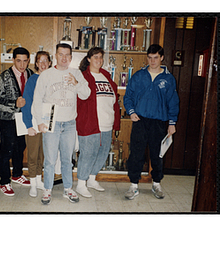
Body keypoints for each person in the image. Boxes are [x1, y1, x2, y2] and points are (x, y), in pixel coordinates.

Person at [32, 43, 91, 205]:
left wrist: (76, 83)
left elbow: (86, 94)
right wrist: (39, 122)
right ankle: (47, 189)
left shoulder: (76, 73)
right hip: (51, 122)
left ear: (71, 58)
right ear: (55, 56)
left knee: (67, 159)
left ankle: (67, 189)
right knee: (50, 160)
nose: (64, 58)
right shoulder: (46, 75)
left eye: (67, 55)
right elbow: (37, 100)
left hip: (70, 123)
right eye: (61, 54)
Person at [123, 44, 179, 200]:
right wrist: (131, 112)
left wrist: (172, 123)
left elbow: (173, 102)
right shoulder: (139, 75)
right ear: (147, 58)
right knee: (136, 154)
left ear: (162, 57)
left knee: (157, 155)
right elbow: (128, 96)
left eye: (156, 57)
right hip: (140, 120)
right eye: (150, 57)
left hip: (159, 122)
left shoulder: (168, 78)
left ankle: (156, 184)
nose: (152, 61)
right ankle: (133, 185)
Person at [75, 47, 120, 197]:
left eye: (100, 57)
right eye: (95, 57)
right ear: (88, 59)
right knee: (88, 154)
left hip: (107, 123)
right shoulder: (83, 76)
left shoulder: (106, 76)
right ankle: (81, 184)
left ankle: (92, 179)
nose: (98, 60)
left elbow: (114, 100)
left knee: (102, 152)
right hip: (90, 122)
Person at [0, 47, 34, 196]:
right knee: (7, 148)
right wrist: (14, 104)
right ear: (13, 60)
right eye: (18, 61)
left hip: (23, 118)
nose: (22, 65)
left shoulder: (30, 74)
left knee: (20, 146)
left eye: (25, 61)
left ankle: (17, 174)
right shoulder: (3, 77)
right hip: (7, 119)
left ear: (29, 61)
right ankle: (4, 181)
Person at [22, 51, 52, 197]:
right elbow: (26, 103)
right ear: (36, 64)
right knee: (33, 155)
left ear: (50, 63)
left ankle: (39, 180)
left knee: (42, 154)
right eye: (40, 61)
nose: (43, 64)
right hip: (34, 123)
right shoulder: (32, 80)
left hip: (47, 124)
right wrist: (28, 125)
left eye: (46, 60)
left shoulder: (52, 80)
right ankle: (32, 184)